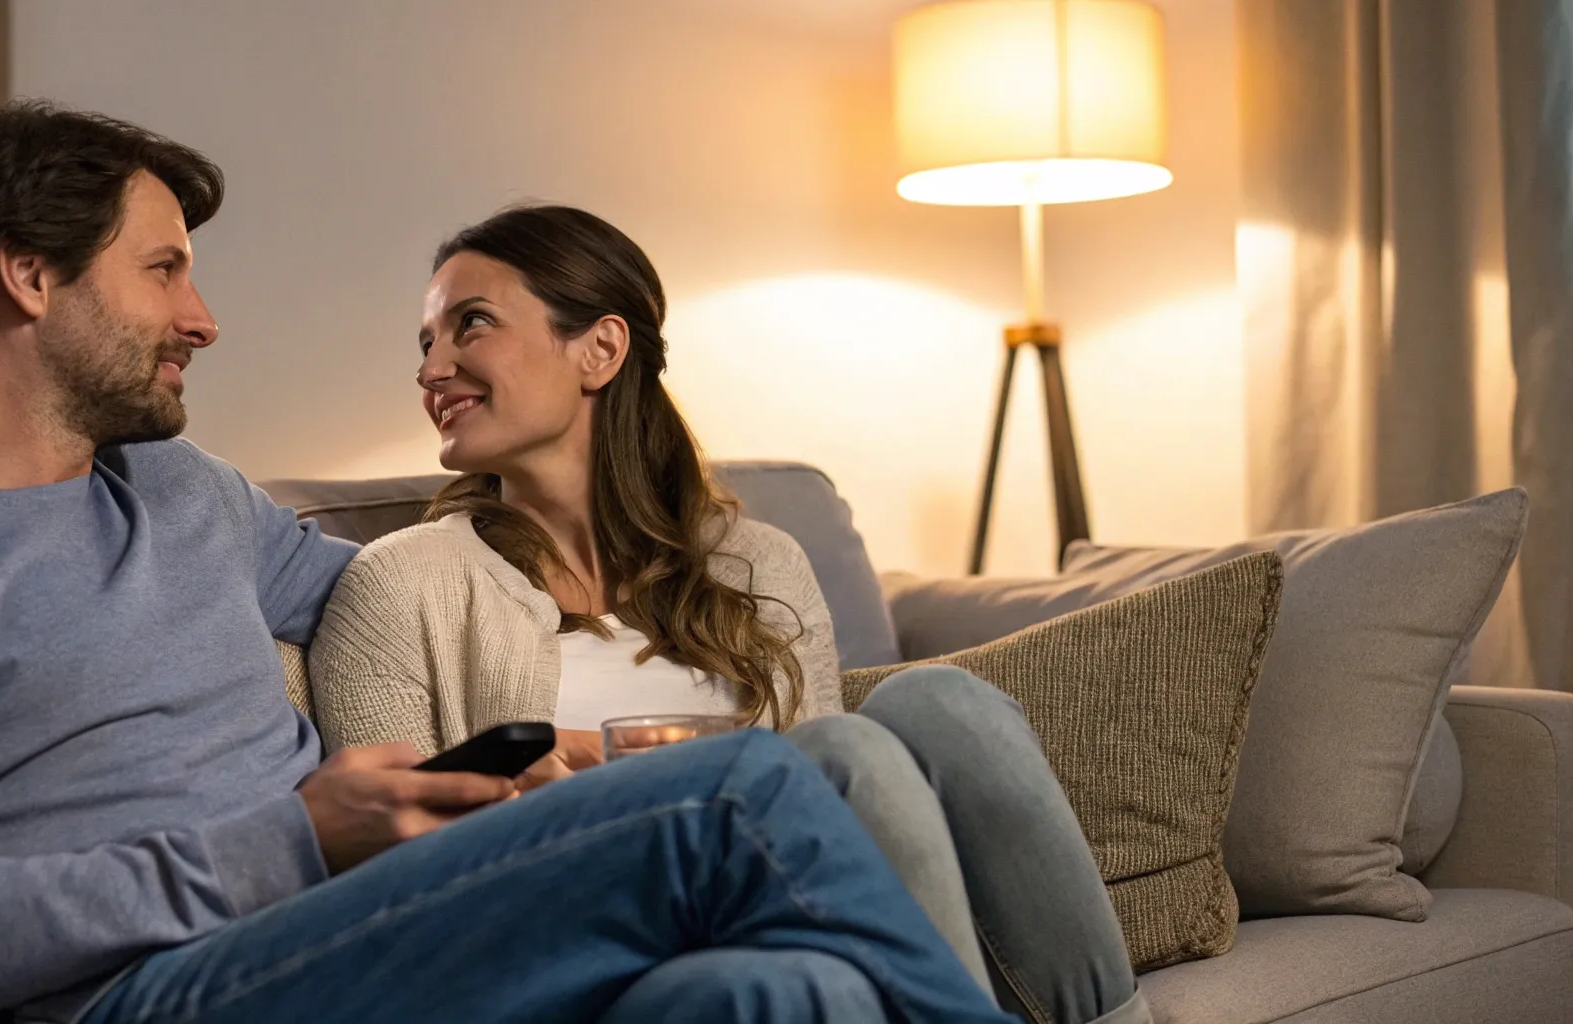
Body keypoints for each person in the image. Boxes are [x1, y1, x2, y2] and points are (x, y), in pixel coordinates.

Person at [0, 100, 1012, 1024]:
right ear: (29, 276)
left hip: (357, 934)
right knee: (743, 797)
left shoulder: (178, 491)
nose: (203, 319)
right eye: (164, 271)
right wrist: (292, 839)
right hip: (149, 993)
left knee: (780, 992)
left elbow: (412, 605)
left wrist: (557, 711)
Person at [306, 204, 1151, 1024]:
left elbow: (841, 818)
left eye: (471, 325)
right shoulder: (402, 584)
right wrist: (524, 799)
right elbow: (388, 881)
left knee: (940, 703)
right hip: (598, 923)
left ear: (600, 349)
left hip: (802, 918)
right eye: (426, 344)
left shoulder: (762, 564)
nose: (430, 370)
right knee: (835, 748)